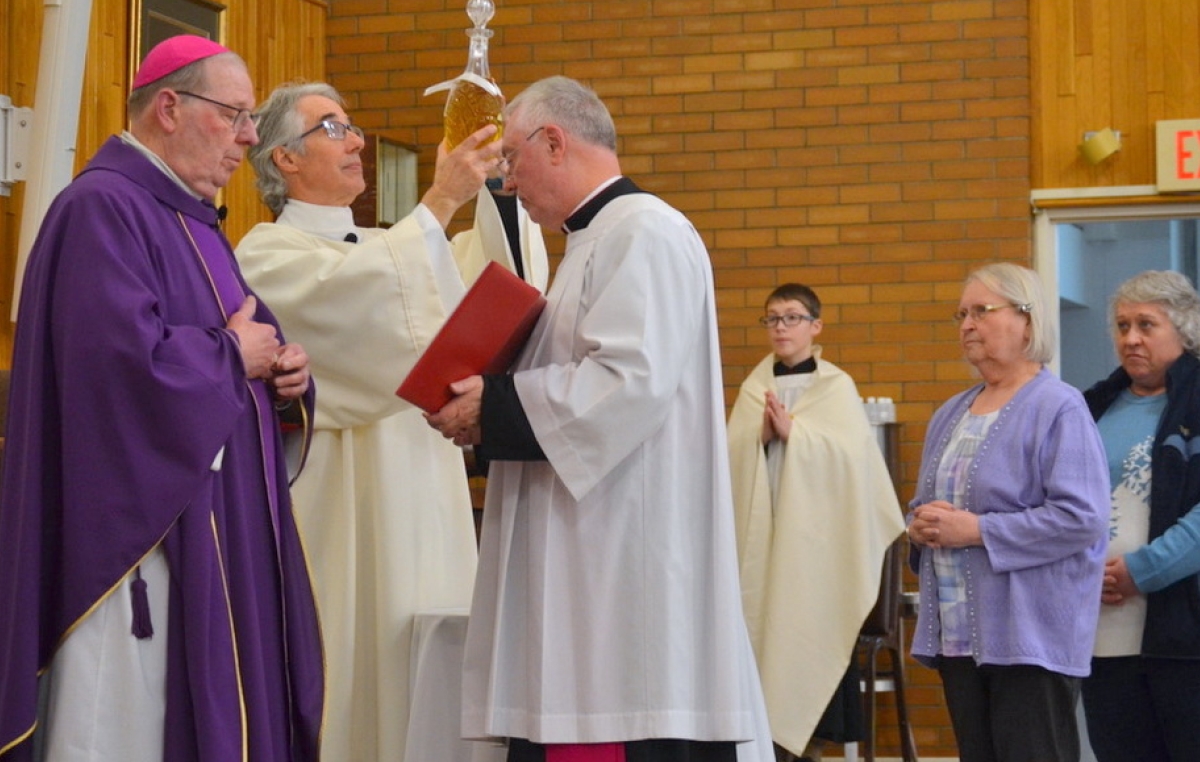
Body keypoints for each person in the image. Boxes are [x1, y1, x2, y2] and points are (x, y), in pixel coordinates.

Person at [426, 76, 773, 762]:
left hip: (622, 570)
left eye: (512, 161)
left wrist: (492, 407)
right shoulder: (596, 240)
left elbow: (626, 382)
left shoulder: (645, 232)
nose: (509, 182)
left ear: (554, 141)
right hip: (590, 555)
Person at [0, 36, 323, 760]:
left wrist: (283, 377)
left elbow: (244, 338)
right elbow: (110, 374)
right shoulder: (102, 209)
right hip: (140, 543)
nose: (248, 136)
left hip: (215, 525)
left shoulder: (194, 219)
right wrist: (232, 356)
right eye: (234, 114)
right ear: (169, 107)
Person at [234, 80, 547, 762]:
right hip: (343, 513)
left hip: (426, 495)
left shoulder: (391, 245)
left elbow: (477, 277)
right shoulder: (262, 257)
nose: (356, 142)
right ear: (283, 159)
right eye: (333, 128)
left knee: (433, 683)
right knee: (360, 678)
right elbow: (368, 304)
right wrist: (440, 200)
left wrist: (493, 185)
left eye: (352, 125)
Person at [906, 262, 1109, 762]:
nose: (967, 324)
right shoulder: (950, 411)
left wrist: (975, 530)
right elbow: (928, 502)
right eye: (961, 314)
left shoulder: (1059, 407)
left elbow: (1081, 518)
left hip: (1029, 637)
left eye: (981, 311)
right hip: (960, 636)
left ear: (1027, 321)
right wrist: (921, 524)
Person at [727, 283, 905, 762]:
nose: (781, 328)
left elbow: (856, 469)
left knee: (809, 639)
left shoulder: (836, 387)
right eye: (772, 319)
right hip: (765, 556)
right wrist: (759, 439)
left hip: (817, 558)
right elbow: (729, 465)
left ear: (815, 326)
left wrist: (796, 435)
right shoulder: (752, 390)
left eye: (791, 317)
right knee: (764, 641)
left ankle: (809, 748)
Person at [1079, 270, 1200, 762]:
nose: (1130, 338)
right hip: (1101, 636)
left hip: (1185, 635)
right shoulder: (1089, 407)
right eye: (1122, 325)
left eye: (1146, 325)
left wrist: (1142, 571)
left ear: (1185, 329)